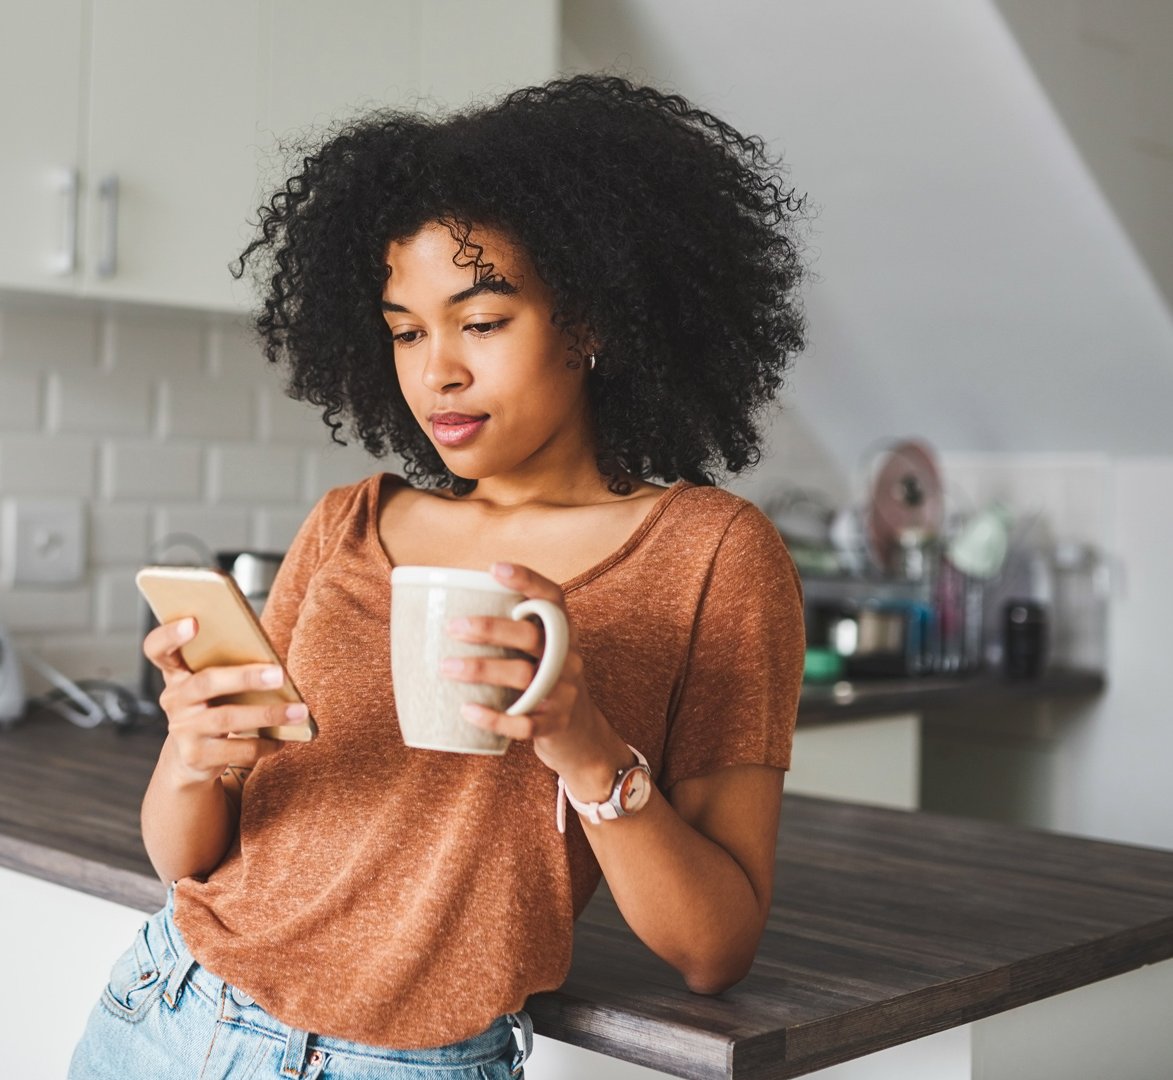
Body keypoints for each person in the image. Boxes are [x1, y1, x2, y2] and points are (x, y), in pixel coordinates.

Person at [70, 75, 807, 1080]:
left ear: (588, 320)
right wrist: (193, 752)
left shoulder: (711, 556)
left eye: (483, 321)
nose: (437, 372)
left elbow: (714, 948)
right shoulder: (347, 525)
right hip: (166, 1011)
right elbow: (189, 859)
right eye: (407, 330)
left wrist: (581, 745)